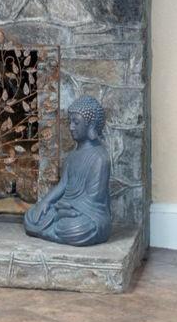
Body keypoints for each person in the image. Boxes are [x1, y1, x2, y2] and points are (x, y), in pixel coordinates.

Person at [23, 96, 113, 247]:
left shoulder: (100, 158)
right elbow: (63, 185)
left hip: (89, 214)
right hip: (65, 208)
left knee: (77, 229)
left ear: (91, 126)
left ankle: (52, 229)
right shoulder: (72, 156)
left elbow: (93, 200)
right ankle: (54, 228)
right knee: (31, 217)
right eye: (70, 122)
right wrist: (46, 202)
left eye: (76, 123)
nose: (71, 127)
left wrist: (65, 209)